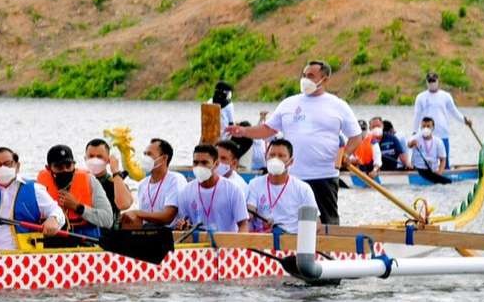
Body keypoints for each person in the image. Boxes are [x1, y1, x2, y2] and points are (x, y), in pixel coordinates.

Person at [230, 60, 362, 225]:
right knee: (290, 221)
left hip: (324, 176)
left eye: (311, 76)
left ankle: (327, 250)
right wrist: (243, 132)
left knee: (326, 223)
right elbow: (267, 129)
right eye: (304, 75)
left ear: (325, 79)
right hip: (292, 176)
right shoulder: (289, 104)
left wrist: (346, 154)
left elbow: (356, 136)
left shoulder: (338, 105)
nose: (305, 80)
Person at [125, 144, 249, 233]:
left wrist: (236, 248)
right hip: (196, 246)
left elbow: (243, 225)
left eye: (204, 163)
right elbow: (183, 222)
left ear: (216, 164)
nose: (199, 166)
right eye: (195, 162)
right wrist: (183, 226)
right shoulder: (186, 191)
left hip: (226, 248)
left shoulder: (233, 190)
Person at [37, 144, 115, 239]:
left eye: (68, 165)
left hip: (85, 241)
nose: (65, 170)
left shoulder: (90, 182)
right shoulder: (39, 187)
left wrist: (78, 207)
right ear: (48, 168)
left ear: (74, 165)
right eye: (59, 167)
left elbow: (107, 220)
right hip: (52, 241)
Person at [246, 139, 318, 234]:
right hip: (261, 240)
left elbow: (315, 223)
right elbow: (249, 215)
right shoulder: (254, 184)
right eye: (272, 155)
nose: (275, 159)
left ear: (291, 161)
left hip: (291, 242)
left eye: (281, 156)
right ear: (265, 157)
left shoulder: (303, 189)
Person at [125, 138, 187, 229]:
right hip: (148, 231)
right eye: (144, 154)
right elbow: (142, 219)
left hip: (170, 233)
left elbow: (168, 217)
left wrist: (137, 213)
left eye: (149, 154)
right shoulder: (143, 184)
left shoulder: (175, 179)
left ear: (164, 158)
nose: (145, 158)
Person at [411, 70, 473, 162]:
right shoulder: (420, 97)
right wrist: (414, 133)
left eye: (433, 81)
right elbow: (416, 115)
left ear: (438, 81)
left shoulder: (446, 96)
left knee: (444, 161)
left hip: (442, 134)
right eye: (430, 81)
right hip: (426, 134)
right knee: (425, 161)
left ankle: (445, 172)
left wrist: (465, 120)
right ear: (427, 82)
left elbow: (454, 112)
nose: (432, 83)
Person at [83, 138, 136, 213]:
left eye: (99, 156)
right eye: (91, 156)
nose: (95, 160)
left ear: (108, 160)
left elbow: (125, 205)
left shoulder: (115, 183)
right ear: (85, 158)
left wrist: (116, 172)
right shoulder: (80, 181)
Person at [407, 116, 452, 183]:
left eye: (428, 126)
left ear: (433, 128)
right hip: (418, 170)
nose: (425, 128)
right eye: (424, 126)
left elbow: (443, 160)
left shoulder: (438, 141)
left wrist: (439, 174)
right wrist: (412, 143)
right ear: (421, 127)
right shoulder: (416, 137)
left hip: (432, 171)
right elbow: (409, 144)